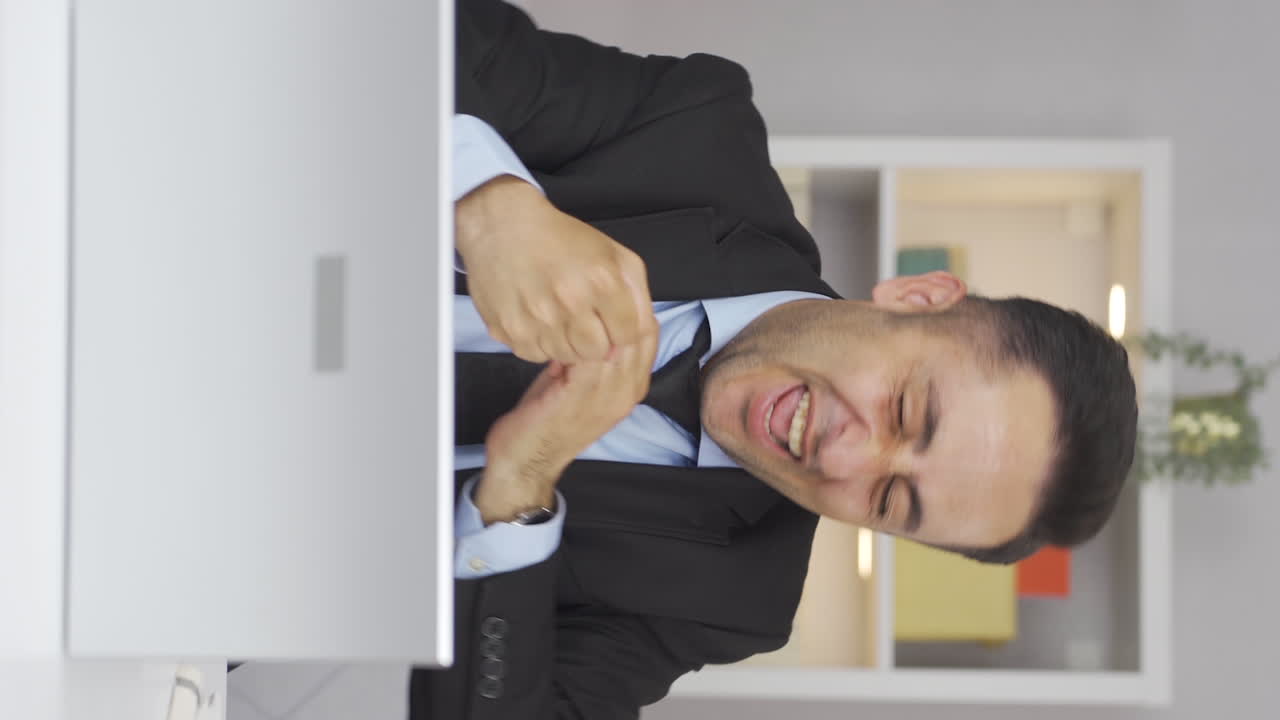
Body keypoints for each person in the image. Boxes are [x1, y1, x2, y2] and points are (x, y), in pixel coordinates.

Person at [414, 1, 1139, 717]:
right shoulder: (693, 127)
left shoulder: (730, 601)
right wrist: (488, 202)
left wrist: (519, 490)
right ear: (917, 297)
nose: (844, 457)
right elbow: (422, 32)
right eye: (904, 410)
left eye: (889, 501)